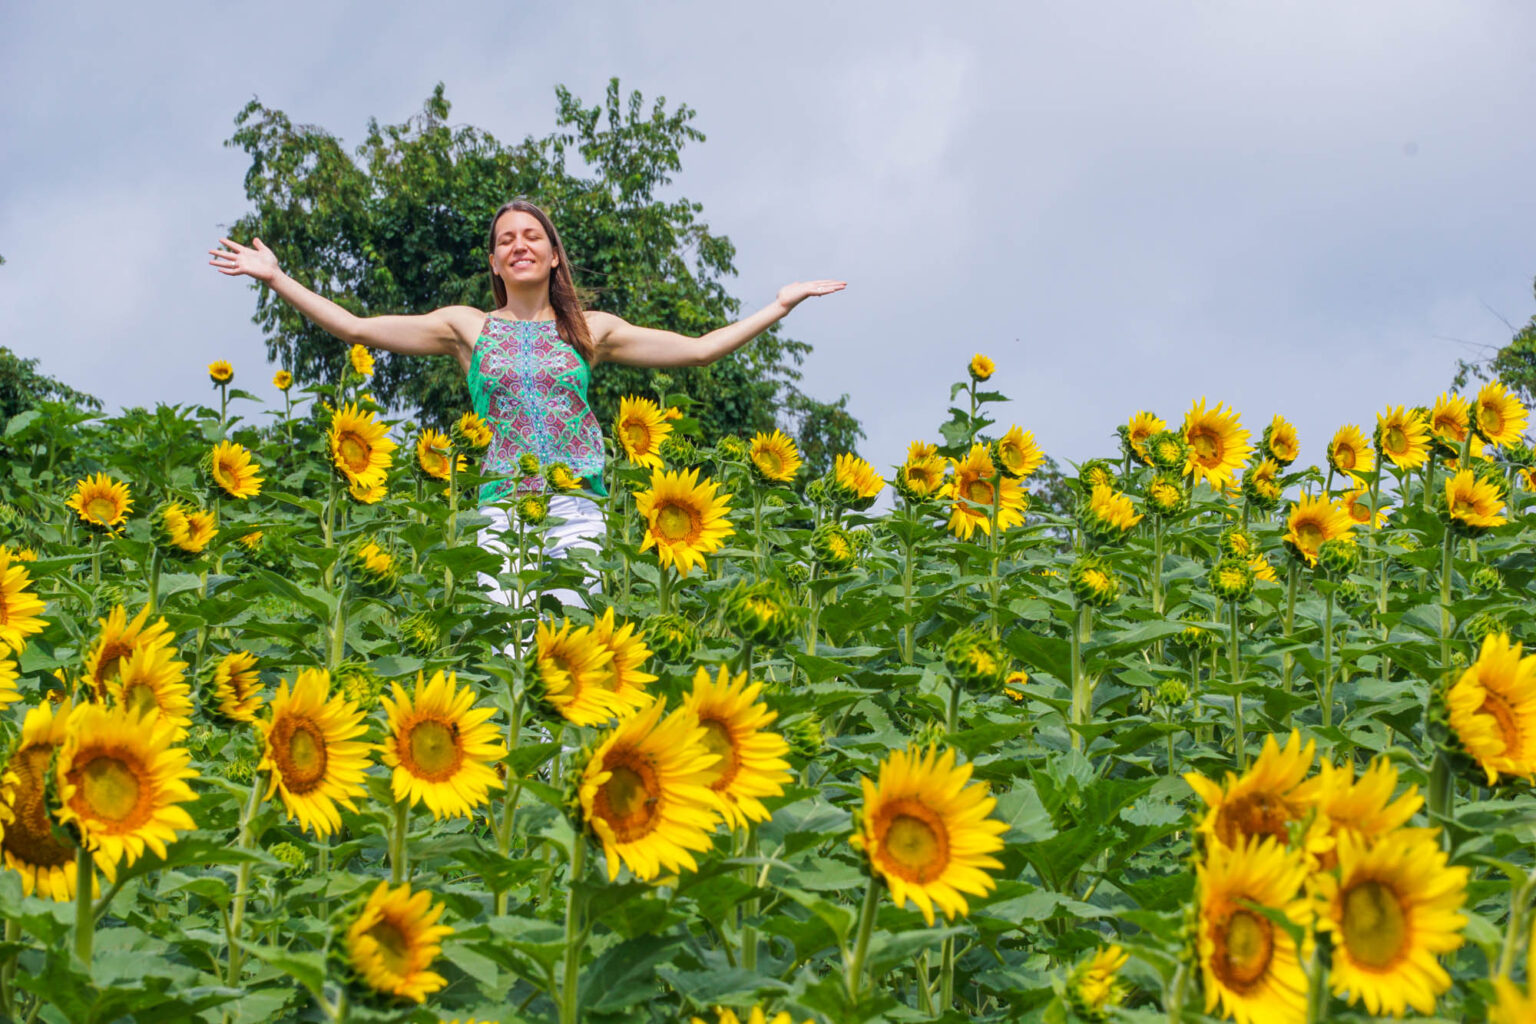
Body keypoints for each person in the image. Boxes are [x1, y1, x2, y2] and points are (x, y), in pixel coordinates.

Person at [209, 198, 844, 607]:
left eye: (532, 236)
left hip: (577, 511)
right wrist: (276, 278)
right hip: (501, 516)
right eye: (506, 238)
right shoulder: (468, 328)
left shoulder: (592, 329)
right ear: (494, 261)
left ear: (553, 254)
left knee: (570, 660)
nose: (520, 244)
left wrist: (780, 305)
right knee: (510, 658)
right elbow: (353, 326)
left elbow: (702, 349)